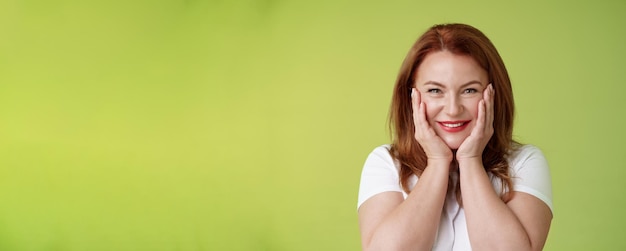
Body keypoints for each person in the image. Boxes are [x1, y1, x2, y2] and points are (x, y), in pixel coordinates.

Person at [357, 23, 553, 251]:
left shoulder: (524, 162)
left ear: (493, 94)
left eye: (469, 90)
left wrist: (470, 160)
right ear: (411, 96)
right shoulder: (386, 163)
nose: (452, 109)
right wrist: (438, 162)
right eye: (435, 90)